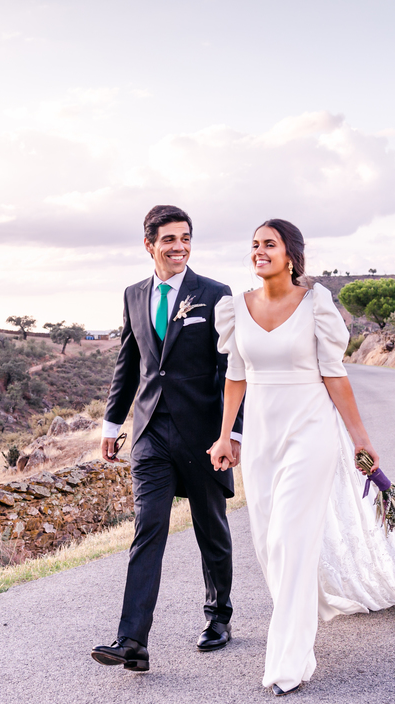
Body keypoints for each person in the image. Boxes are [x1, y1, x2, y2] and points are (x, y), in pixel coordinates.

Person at [208, 219, 395, 696]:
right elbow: (235, 376)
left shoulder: (316, 303)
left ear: (291, 254)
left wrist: (361, 439)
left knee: (290, 537)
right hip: (260, 437)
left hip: (310, 431)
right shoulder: (235, 308)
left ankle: (288, 659)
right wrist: (224, 437)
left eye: (269, 244)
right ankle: (300, 608)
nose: (259, 251)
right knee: (269, 543)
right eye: (254, 245)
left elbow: (335, 376)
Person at [91, 204, 244, 673]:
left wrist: (231, 433)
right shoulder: (133, 295)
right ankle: (132, 640)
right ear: (149, 245)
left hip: (203, 434)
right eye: (170, 239)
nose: (180, 247)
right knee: (148, 529)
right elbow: (129, 363)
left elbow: (231, 370)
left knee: (209, 527)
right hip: (150, 433)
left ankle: (218, 616)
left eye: (186, 238)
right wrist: (112, 425)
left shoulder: (215, 294)